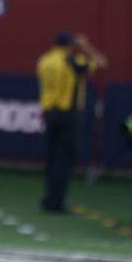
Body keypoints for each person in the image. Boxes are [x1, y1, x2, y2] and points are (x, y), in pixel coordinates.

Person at [37, 31, 106, 213]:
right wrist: (85, 47)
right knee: (64, 161)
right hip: (68, 115)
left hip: (49, 113)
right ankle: (56, 202)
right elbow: (102, 63)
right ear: (70, 45)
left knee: (52, 159)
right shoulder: (72, 62)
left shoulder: (45, 60)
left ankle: (48, 197)